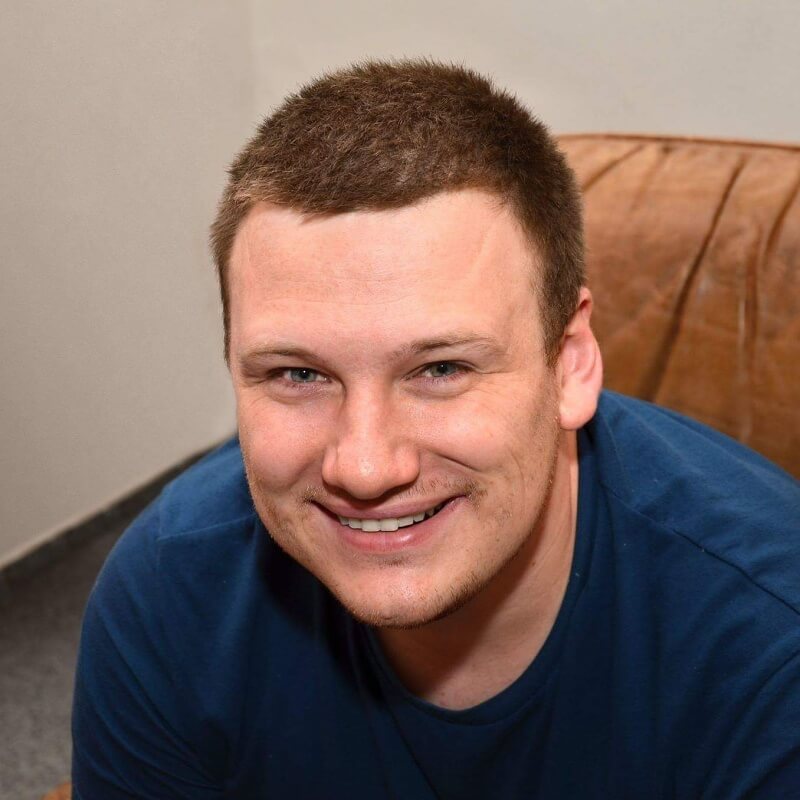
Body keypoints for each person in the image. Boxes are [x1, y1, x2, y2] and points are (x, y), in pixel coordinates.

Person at [72, 60, 800, 799]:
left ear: (570, 364)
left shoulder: (772, 650)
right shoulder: (167, 597)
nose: (364, 468)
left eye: (441, 369)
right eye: (298, 375)